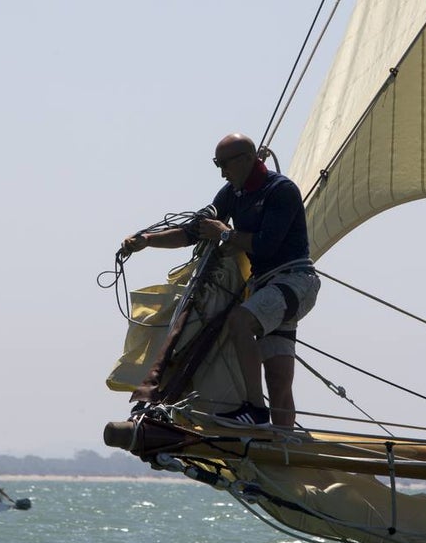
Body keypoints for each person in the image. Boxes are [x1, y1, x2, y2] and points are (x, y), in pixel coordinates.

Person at [121, 133, 319, 428]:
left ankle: (254, 410)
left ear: (248, 159)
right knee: (278, 378)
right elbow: (194, 232)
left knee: (239, 320)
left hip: (295, 282)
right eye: (217, 164)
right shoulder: (232, 193)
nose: (222, 172)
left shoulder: (281, 190)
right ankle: (282, 441)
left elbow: (267, 245)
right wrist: (147, 240)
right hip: (267, 288)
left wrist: (225, 234)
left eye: (225, 164)